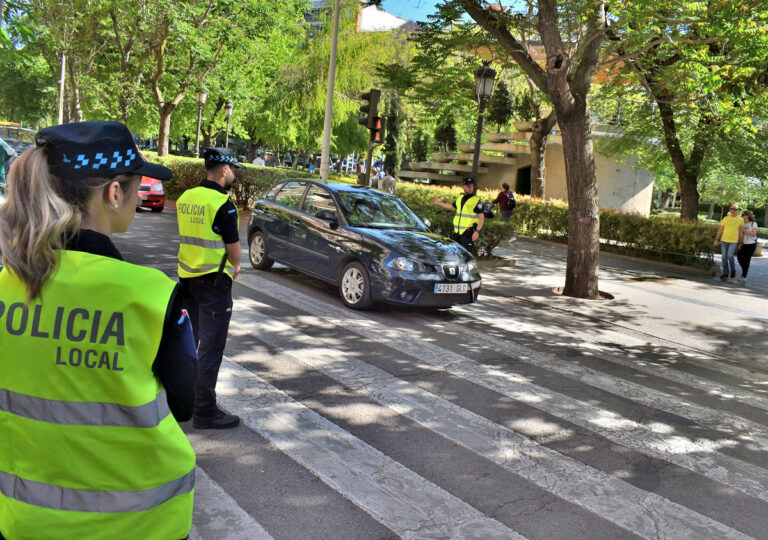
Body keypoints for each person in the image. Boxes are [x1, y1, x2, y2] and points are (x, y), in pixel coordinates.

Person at [0, 121, 196, 540]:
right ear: (113, 193)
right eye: (138, 183)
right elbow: (185, 404)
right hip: (141, 523)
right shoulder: (151, 295)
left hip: (25, 520)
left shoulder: (5, 285)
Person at [177, 147, 243, 429]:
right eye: (234, 170)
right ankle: (204, 410)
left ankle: (185, 399)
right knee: (211, 348)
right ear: (224, 170)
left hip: (186, 280)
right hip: (214, 284)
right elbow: (234, 252)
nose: (235, 175)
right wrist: (235, 266)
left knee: (190, 343)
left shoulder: (186, 198)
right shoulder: (223, 204)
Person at [432, 177, 485, 254]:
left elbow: (481, 217)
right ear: (462, 186)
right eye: (468, 186)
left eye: (472, 185)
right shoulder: (460, 198)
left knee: (466, 256)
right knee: (455, 254)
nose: (470, 188)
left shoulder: (476, 200)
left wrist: (477, 232)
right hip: (457, 232)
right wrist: (438, 203)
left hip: (468, 233)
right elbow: (451, 207)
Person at [714, 203, 744, 280]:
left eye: (735, 209)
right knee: (724, 257)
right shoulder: (725, 218)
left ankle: (733, 269)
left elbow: (741, 232)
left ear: (738, 211)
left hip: (733, 242)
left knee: (730, 256)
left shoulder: (740, 220)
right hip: (724, 241)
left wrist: (740, 242)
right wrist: (717, 239)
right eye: (731, 209)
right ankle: (725, 272)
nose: (733, 210)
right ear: (730, 210)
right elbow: (720, 230)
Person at [737, 210, 759, 283]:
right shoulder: (742, 223)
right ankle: (744, 270)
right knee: (739, 257)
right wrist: (740, 243)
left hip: (751, 244)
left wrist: (744, 230)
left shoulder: (753, 223)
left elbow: (753, 234)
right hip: (743, 244)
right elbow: (740, 234)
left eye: (744, 215)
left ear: (748, 216)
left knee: (746, 259)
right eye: (742, 215)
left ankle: (744, 275)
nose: (743, 216)